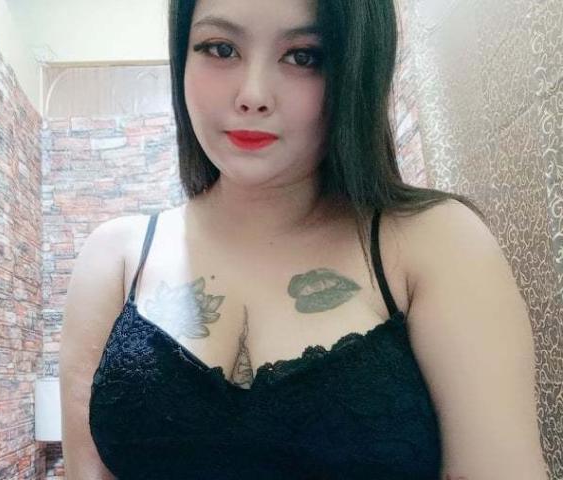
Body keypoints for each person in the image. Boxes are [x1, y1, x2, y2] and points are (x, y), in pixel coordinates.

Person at [59, 0, 548, 478]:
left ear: (356, 68)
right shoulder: (115, 258)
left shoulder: (437, 243)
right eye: (221, 48)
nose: (253, 94)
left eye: (303, 56)